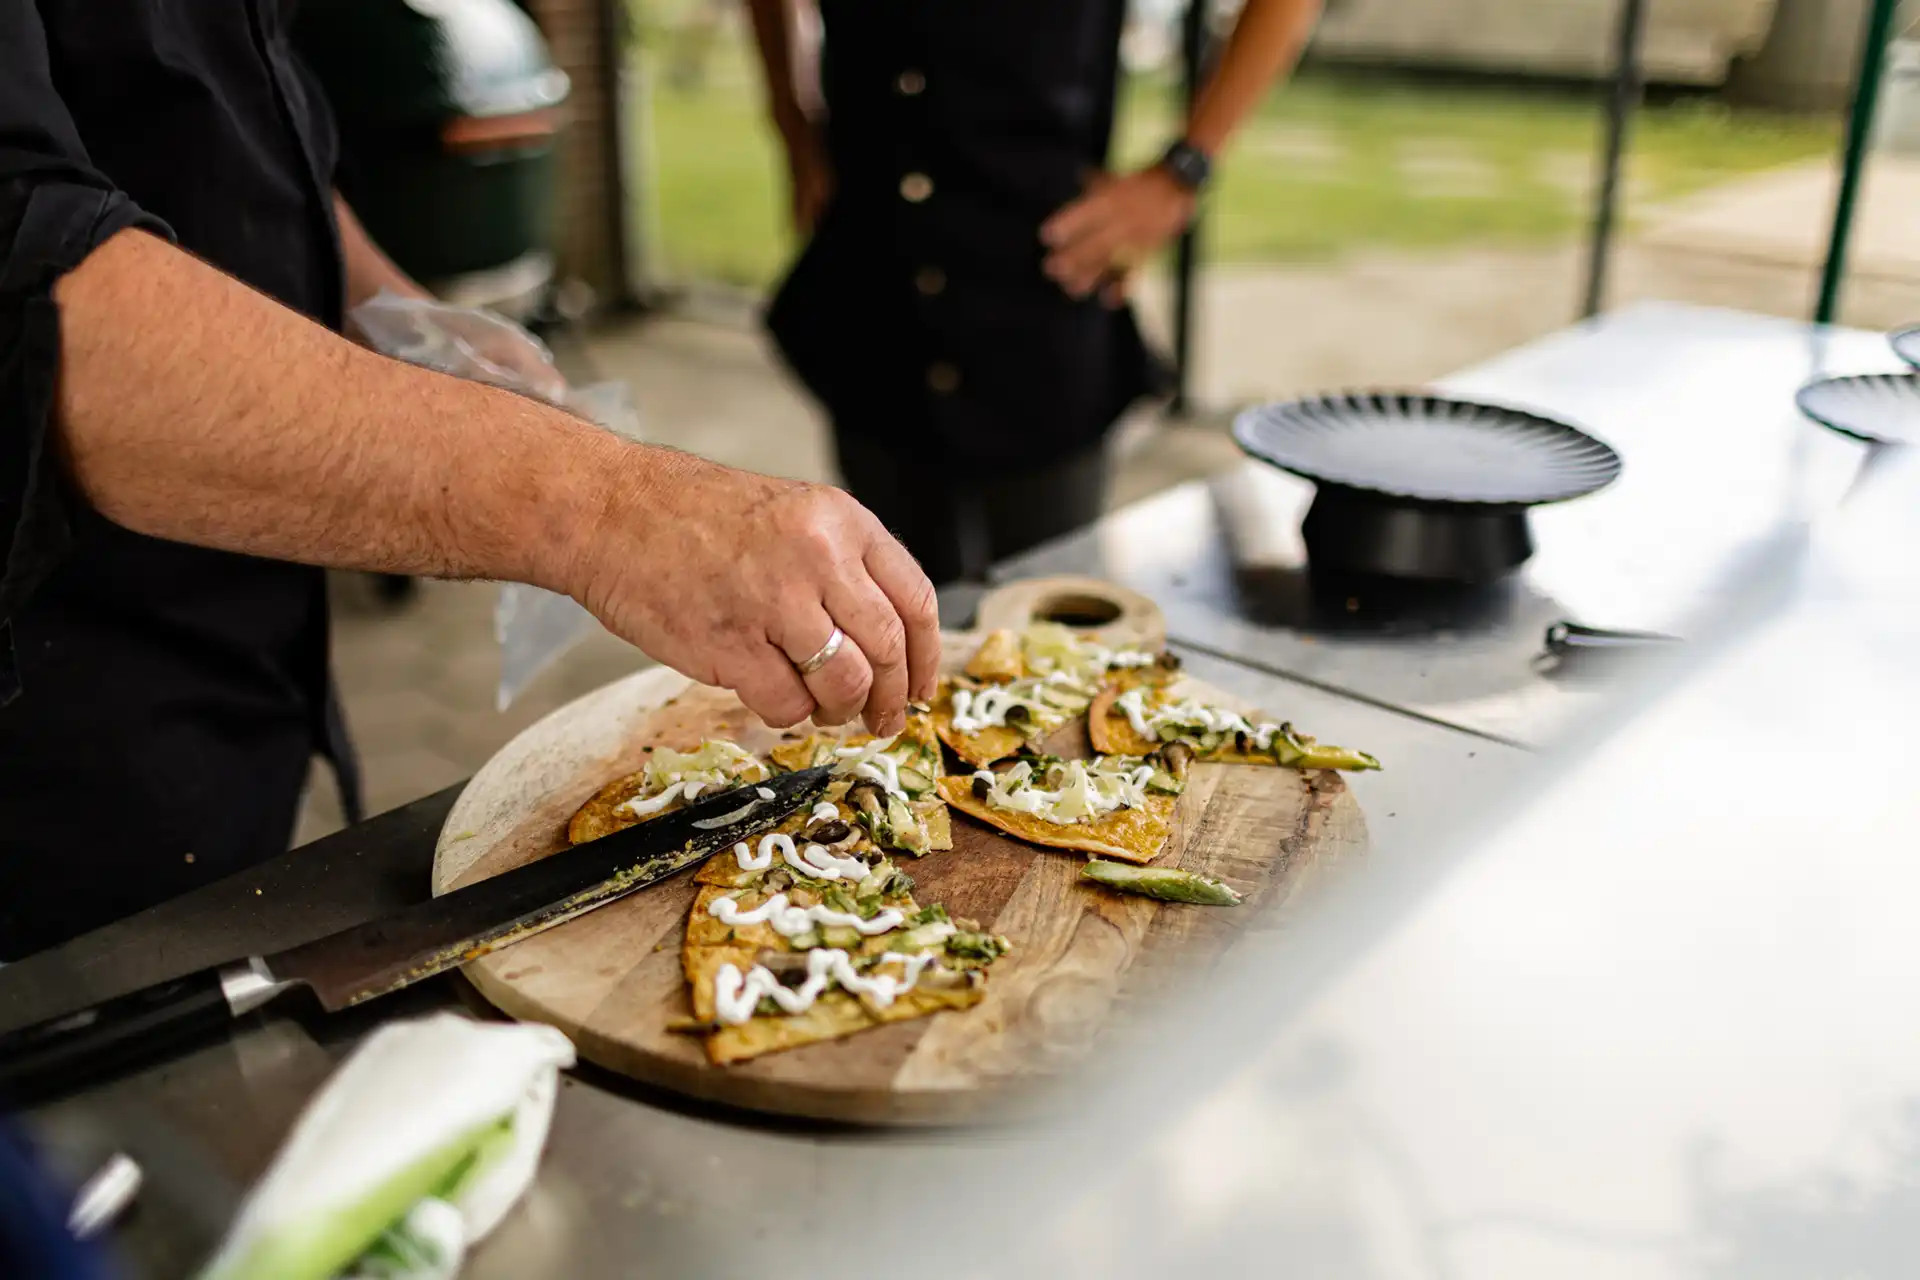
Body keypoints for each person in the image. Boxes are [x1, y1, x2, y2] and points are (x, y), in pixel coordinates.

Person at [0, 1, 938, 961]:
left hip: (228, 692)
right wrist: (608, 510)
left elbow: (231, 145)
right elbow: (31, 285)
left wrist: (393, 315)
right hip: (44, 751)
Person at [746, 0, 1324, 585]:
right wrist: (790, 117)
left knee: (1053, 616)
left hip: (1040, 300)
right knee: (887, 604)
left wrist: (1183, 171)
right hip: (872, 300)